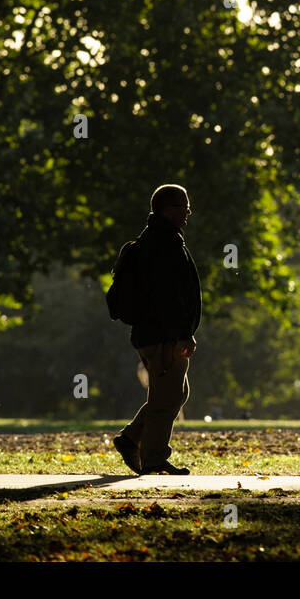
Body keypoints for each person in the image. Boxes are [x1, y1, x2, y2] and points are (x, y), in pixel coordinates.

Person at [112, 183, 201, 475]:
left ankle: (130, 438)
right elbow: (169, 298)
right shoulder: (163, 245)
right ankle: (154, 458)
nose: (188, 212)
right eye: (183, 206)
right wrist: (181, 333)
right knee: (166, 399)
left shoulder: (158, 240)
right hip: (163, 335)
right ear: (166, 209)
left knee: (174, 393)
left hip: (154, 334)